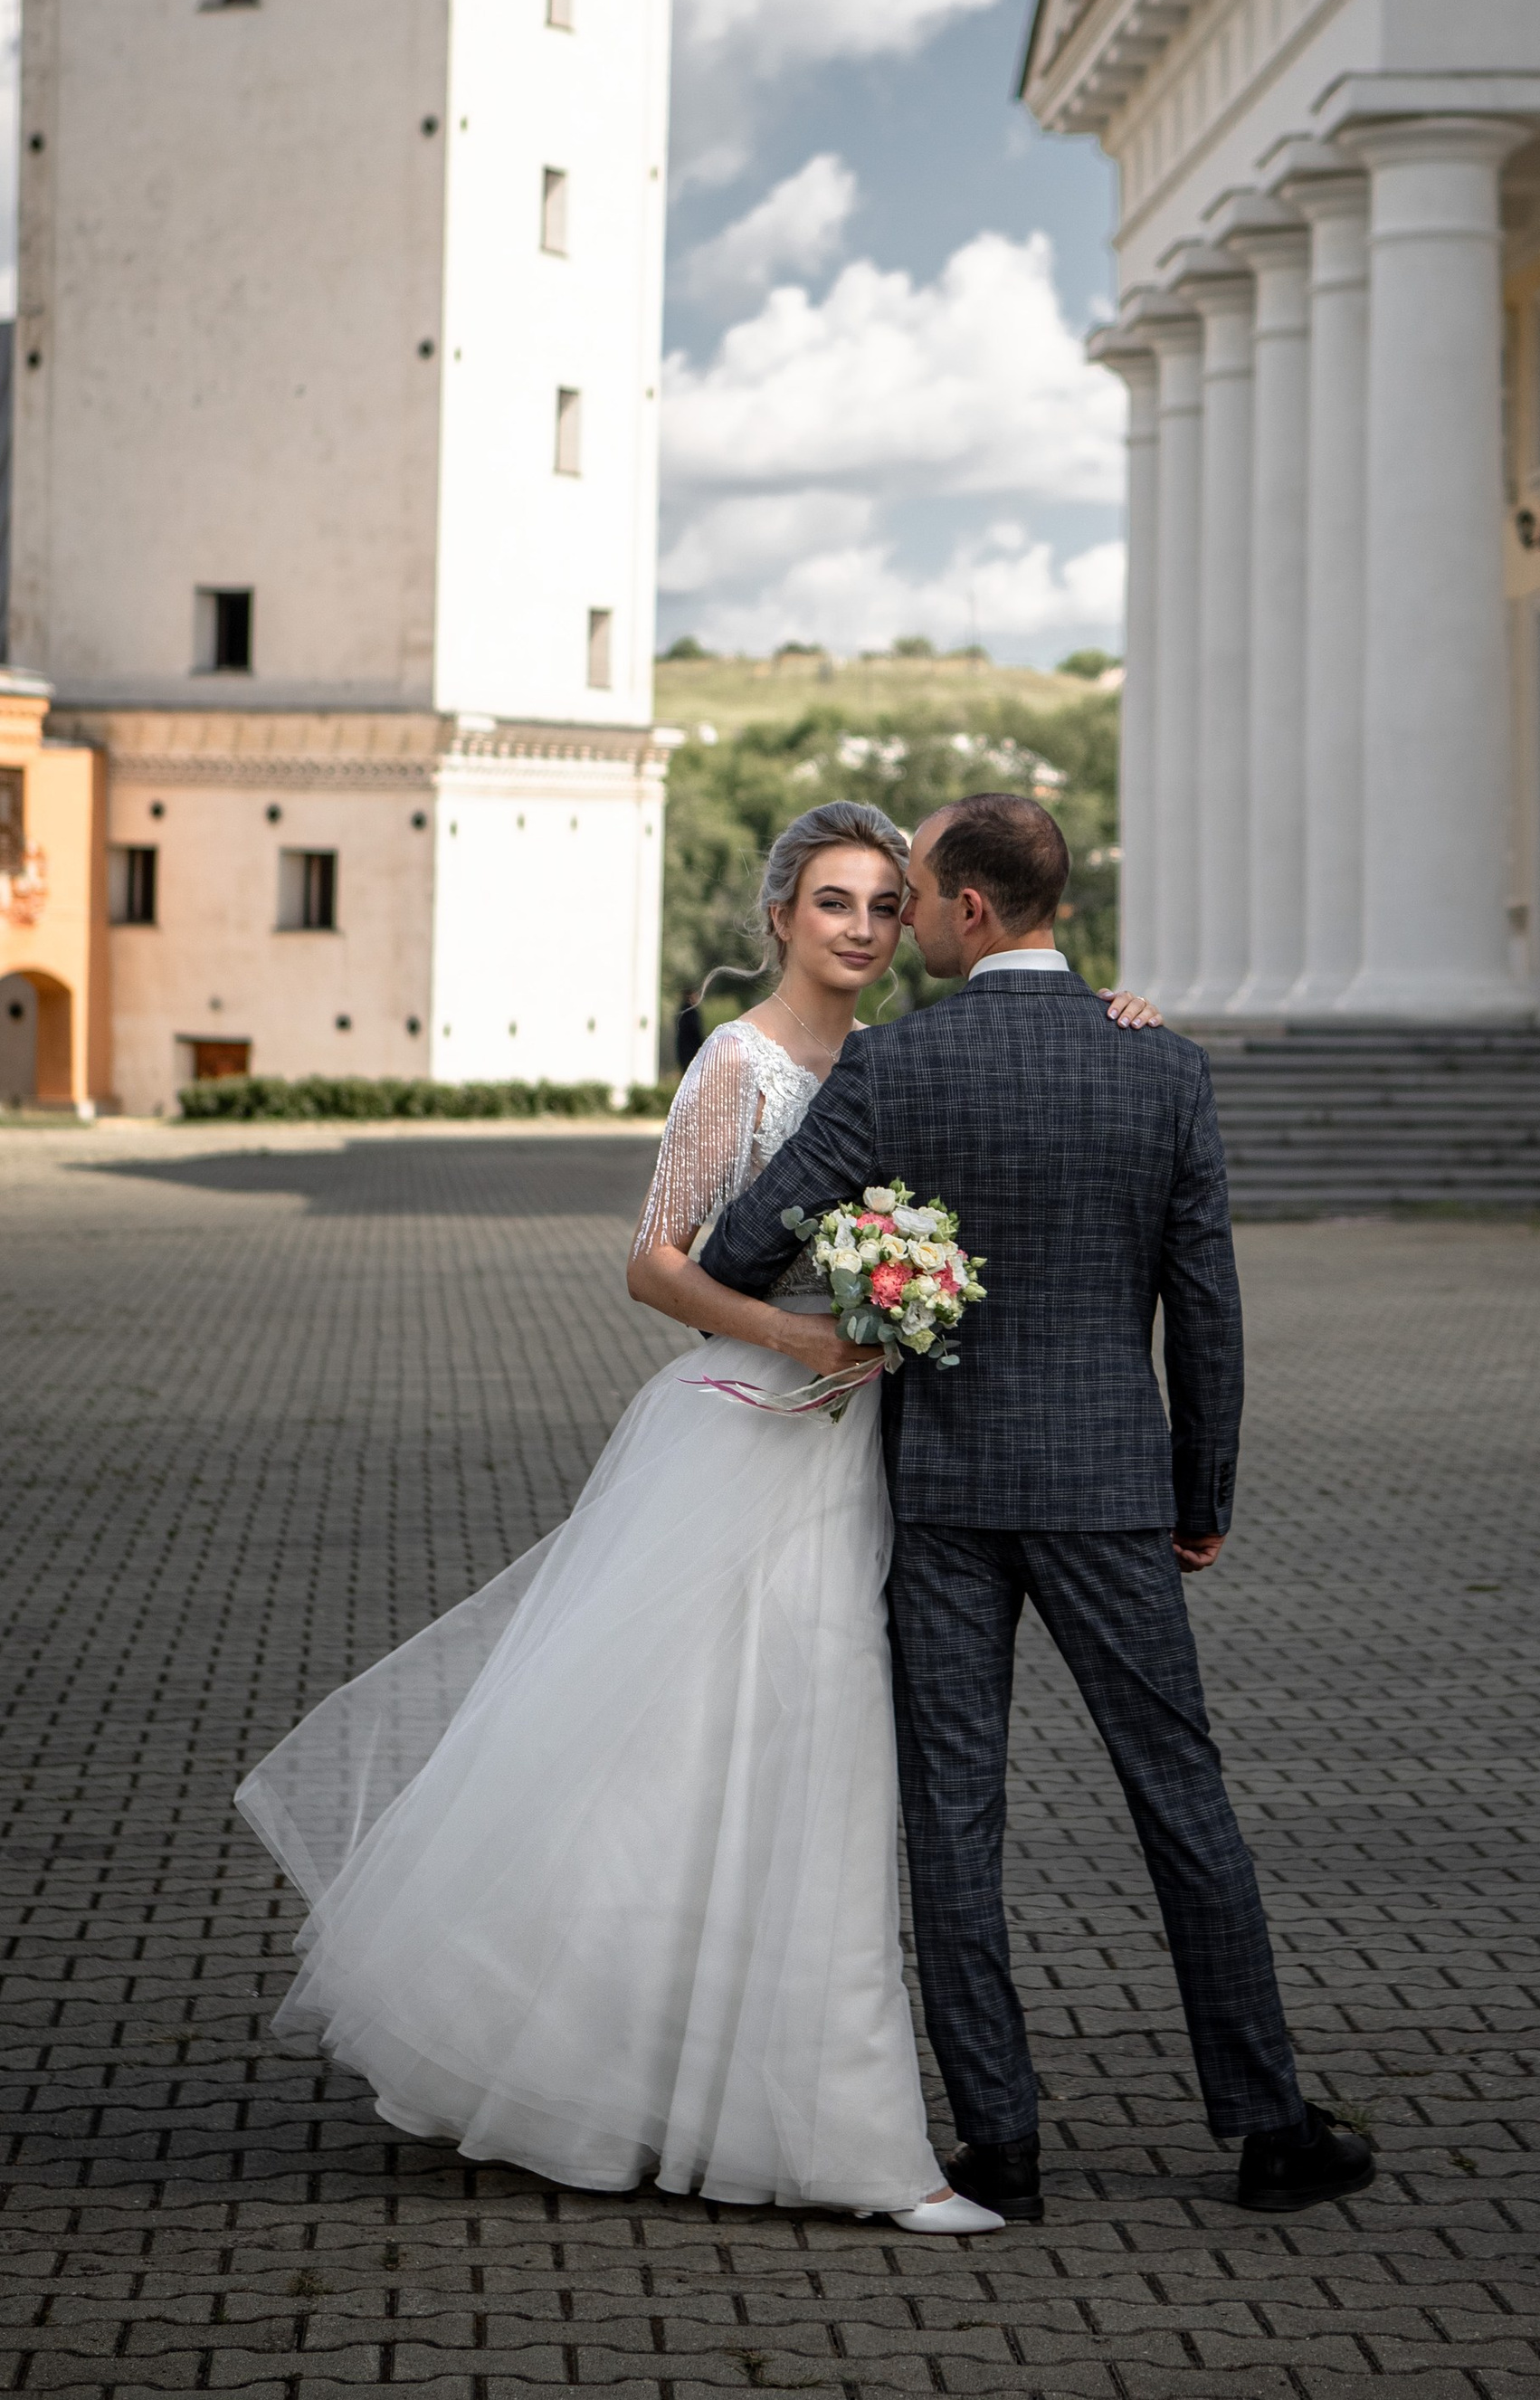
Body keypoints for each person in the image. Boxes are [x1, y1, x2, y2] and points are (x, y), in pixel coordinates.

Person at [233, 797, 1162, 2229]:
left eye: (882, 903)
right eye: (835, 902)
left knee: (797, 1775)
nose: (862, 926)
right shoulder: (738, 1063)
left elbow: (1028, 1097)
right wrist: (795, 1336)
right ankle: (755, 2113)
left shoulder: (907, 1059)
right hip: (754, 1434)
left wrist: (1110, 1017)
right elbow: (655, 1264)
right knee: (699, 1766)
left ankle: (742, 2088)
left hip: (873, 1454)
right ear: (783, 915)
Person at [700, 788, 1377, 2221]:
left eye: (916, 894)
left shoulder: (895, 1069)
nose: (896, 925)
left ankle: (998, 2140)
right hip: (1110, 1489)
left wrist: (876, 1278)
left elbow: (746, 1247)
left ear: (970, 908)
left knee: (955, 1814)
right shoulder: (1163, 1068)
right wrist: (1203, 1492)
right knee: (1180, 1794)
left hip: (942, 1490)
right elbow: (1207, 1308)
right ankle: (1267, 2126)